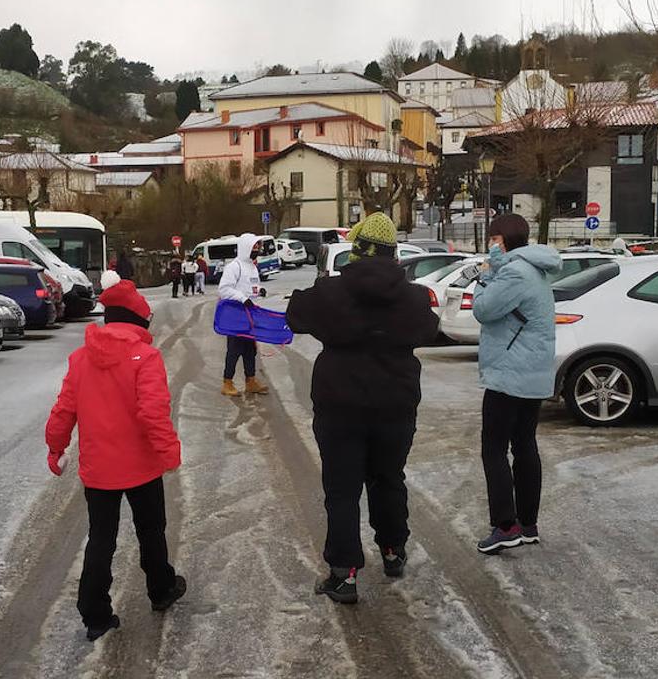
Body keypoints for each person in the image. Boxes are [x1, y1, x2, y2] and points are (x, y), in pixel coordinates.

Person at [286, 212, 438, 604]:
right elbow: (429, 328)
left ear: (356, 250)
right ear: (393, 254)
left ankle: (344, 572)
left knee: (342, 489)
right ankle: (392, 549)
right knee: (389, 478)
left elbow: (295, 314)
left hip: (340, 405)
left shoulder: (331, 292)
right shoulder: (414, 296)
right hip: (396, 405)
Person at [45, 271, 187, 641]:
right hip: (141, 467)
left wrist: (56, 446)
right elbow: (153, 411)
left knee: (101, 538)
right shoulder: (147, 356)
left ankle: (95, 614)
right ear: (138, 321)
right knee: (151, 531)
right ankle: (161, 589)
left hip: (99, 469)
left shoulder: (81, 359)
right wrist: (168, 452)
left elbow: (64, 409)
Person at [471, 212, 561, 555]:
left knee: (493, 449)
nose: (490, 247)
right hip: (533, 372)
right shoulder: (536, 269)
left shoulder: (513, 272)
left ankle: (506, 525)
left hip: (509, 374)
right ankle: (527, 523)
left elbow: (484, 310)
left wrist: (484, 277)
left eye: (493, 241)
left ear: (503, 241)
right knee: (524, 445)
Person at [218, 233, 269, 397]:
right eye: (255, 246)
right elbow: (224, 289)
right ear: (246, 247)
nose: (258, 249)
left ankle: (251, 381)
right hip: (235, 316)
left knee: (250, 350)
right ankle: (227, 382)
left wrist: (259, 292)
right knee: (234, 349)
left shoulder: (253, 266)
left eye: (258, 247)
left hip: (250, 316)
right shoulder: (234, 266)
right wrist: (242, 299)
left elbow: (250, 287)